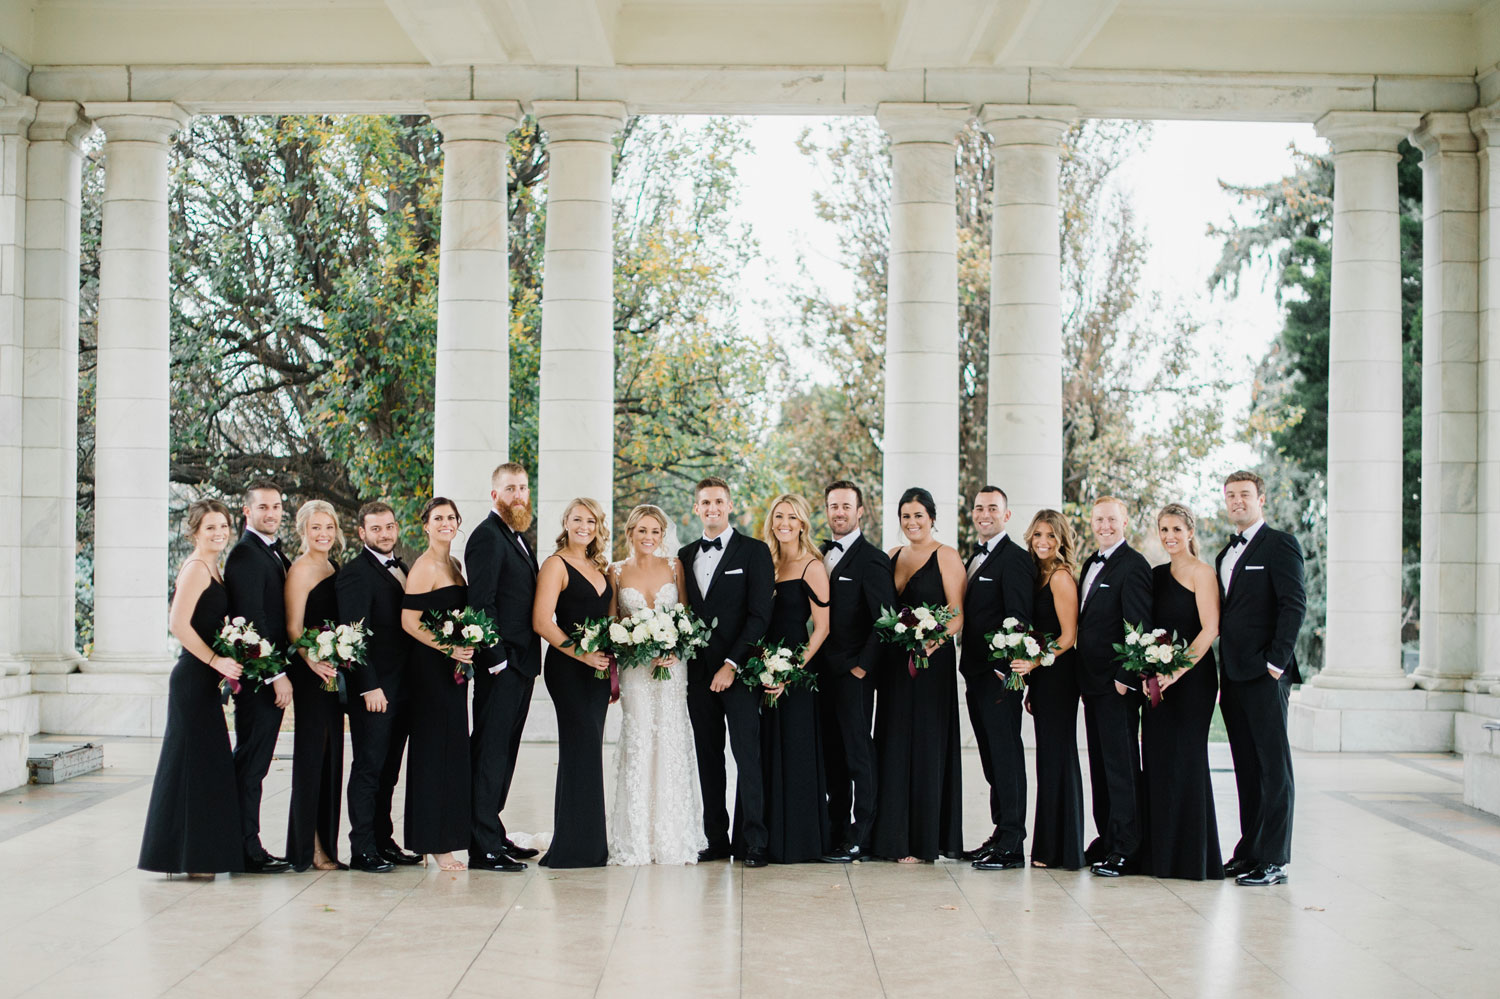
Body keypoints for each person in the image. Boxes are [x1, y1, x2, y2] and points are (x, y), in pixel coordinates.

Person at [139, 499, 244, 876]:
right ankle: (186, 858)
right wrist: (216, 661)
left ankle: (196, 856)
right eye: (211, 528)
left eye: (223, 526)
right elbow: (178, 624)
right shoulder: (197, 568)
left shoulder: (214, 567)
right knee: (190, 766)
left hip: (205, 681)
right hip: (191, 679)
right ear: (195, 532)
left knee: (204, 767)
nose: (219, 533)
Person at [677, 476, 775, 868]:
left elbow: (759, 615)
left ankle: (755, 842)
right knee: (708, 757)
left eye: (719, 501)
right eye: (705, 502)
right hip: (698, 676)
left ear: (729, 505)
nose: (712, 508)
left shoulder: (754, 551)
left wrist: (732, 664)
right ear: (696, 509)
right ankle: (715, 838)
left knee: (746, 757)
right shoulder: (684, 556)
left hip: (739, 673)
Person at [1216, 470, 1306, 887]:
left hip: (1266, 675)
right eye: (1231, 495)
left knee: (1274, 769)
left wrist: (1276, 664)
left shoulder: (1280, 544)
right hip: (1233, 678)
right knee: (1246, 768)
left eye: (1245, 495)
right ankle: (1249, 851)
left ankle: (1275, 859)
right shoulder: (1224, 555)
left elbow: (1293, 605)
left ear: (1261, 499)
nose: (1237, 501)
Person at [608, 504, 707, 866]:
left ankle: (671, 834)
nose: (649, 537)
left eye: (655, 531)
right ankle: (635, 836)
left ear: (662, 535)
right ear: (630, 533)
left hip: (671, 668)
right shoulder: (616, 570)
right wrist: (635, 644)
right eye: (642, 531)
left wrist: (675, 647)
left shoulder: (674, 566)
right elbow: (612, 623)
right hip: (636, 672)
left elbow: (687, 614)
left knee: (670, 738)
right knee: (640, 741)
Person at [873, 486, 965, 863]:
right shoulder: (892, 555)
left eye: (918, 516)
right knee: (893, 742)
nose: (912, 522)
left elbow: (957, 616)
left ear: (931, 518)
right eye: (906, 516)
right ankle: (891, 838)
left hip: (930, 663)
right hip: (895, 663)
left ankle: (922, 841)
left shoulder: (947, 556)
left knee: (926, 745)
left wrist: (933, 641)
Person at [1141, 502, 1224, 881]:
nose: (1169, 536)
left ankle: (1193, 860)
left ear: (1190, 532)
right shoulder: (1156, 575)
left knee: (1187, 760)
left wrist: (1176, 670)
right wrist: (1151, 672)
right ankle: (1159, 856)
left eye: (1176, 529)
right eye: (1164, 530)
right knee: (1157, 759)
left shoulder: (1203, 573)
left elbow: (1209, 630)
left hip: (1193, 681)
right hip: (1157, 682)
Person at [465, 463, 540, 873]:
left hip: (522, 664)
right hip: (502, 665)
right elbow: (481, 604)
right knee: (490, 753)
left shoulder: (516, 535)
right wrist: (496, 660)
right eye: (510, 488)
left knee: (505, 753)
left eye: (523, 488)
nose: (518, 495)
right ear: (494, 494)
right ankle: (483, 847)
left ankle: (492, 829)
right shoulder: (486, 537)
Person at [337, 501, 420, 873]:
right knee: (369, 768)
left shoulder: (403, 567)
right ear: (362, 533)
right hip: (375, 692)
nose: (384, 534)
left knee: (390, 770)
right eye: (376, 529)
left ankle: (384, 841)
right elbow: (352, 638)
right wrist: (369, 687)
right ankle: (362, 848)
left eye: (389, 527)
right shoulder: (355, 574)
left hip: (404, 689)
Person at [532, 497, 614, 869]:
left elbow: (610, 621)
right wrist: (581, 654)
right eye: (578, 519)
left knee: (587, 751)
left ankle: (588, 843)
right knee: (580, 749)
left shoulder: (601, 567)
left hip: (598, 672)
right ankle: (573, 848)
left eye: (592, 521)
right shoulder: (555, 565)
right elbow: (542, 622)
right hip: (568, 669)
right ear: (566, 522)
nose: (585, 526)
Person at [815, 480, 893, 864]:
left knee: (858, 754)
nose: (839, 512)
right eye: (833, 506)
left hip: (853, 675)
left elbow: (885, 621)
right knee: (832, 754)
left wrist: (863, 667)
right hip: (820, 676)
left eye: (846, 506)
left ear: (860, 511)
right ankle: (835, 829)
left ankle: (861, 834)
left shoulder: (873, 559)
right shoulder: (817, 554)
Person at [1075, 496, 1153, 878]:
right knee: (1102, 768)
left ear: (1124, 521)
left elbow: (1138, 627)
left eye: (1111, 519)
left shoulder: (1134, 566)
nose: (1104, 525)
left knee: (1121, 768)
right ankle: (1107, 838)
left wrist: (1124, 680)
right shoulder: (1090, 562)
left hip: (1115, 686)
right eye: (1098, 519)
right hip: (1091, 685)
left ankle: (1127, 848)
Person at [959, 486, 1036, 872]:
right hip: (974, 673)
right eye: (978, 507)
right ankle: (1000, 832)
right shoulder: (974, 557)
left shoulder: (1015, 560)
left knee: (1006, 757)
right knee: (991, 758)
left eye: (992, 508)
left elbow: (1019, 617)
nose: (984, 513)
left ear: (1007, 515)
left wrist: (1005, 667)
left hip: (999, 677)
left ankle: (1012, 844)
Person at [399, 497, 474, 872]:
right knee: (432, 753)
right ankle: (433, 842)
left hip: (454, 671)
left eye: (451, 517)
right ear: (425, 525)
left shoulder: (455, 565)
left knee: (452, 751)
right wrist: (449, 646)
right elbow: (409, 622)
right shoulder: (424, 566)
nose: (446, 523)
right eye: (438, 518)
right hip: (430, 670)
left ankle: (441, 836)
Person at [223, 481, 294, 874]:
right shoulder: (246, 556)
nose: (272, 513)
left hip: (267, 676)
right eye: (263, 507)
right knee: (251, 765)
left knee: (256, 765)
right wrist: (277, 675)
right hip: (258, 680)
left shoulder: (269, 552)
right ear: (247, 511)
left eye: (277, 506)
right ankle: (245, 850)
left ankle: (242, 844)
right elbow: (253, 623)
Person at [759, 493, 832, 863]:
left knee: (796, 750)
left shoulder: (812, 566)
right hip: (761, 668)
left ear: (803, 523)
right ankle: (764, 839)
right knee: (764, 751)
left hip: (796, 672)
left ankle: (799, 842)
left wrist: (790, 671)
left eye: (792, 517)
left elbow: (821, 628)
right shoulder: (765, 562)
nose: (784, 523)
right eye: (778, 516)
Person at [1017, 510, 1085, 870]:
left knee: (1058, 755)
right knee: (1048, 756)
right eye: (1038, 534)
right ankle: (1049, 846)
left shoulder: (1060, 577)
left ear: (1061, 541)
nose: (1043, 542)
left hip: (1060, 676)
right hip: (1043, 677)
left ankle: (1062, 849)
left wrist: (1035, 662)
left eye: (1051, 536)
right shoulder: (1036, 575)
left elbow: (1068, 637)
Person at [282, 499, 347, 872]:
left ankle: (326, 843)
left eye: (328, 527)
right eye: (316, 528)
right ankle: (308, 848)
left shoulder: (332, 565)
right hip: (311, 675)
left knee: (331, 758)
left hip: (332, 673)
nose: (323, 534)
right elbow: (293, 628)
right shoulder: (301, 569)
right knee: (312, 758)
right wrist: (312, 660)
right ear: (303, 531)